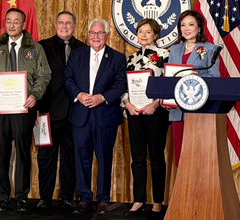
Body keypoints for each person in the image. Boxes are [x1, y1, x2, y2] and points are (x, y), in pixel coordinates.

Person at [0, 8, 51, 213]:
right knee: (2, 153)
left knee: (22, 153)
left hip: (24, 108)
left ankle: (21, 198)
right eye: (8, 21)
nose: (11, 25)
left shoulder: (35, 48)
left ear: (23, 24)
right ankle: (3, 197)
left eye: (16, 21)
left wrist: (35, 95)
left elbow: (44, 75)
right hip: (1, 108)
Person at [62, 19, 127, 215]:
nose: (95, 37)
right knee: (81, 159)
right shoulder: (77, 54)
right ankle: (84, 198)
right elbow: (67, 78)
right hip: (81, 116)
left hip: (105, 116)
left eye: (100, 33)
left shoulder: (117, 57)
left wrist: (102, 97)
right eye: (92, 33)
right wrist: (79, 95)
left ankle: (103, 200)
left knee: (104, 159)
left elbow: (121, 84)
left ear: (107, 35)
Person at [36, 11, 87, 210]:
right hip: (47, 112)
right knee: (45, 157)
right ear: (55, 25)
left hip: (75, 113)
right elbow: (35, 77)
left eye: (68, 23)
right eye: (61, 23)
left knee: (70, 157)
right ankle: (45, 198)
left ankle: (67, 197)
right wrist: (35, 108)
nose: (64, 26)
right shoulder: (42, 46)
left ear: (74, 26)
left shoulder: (83, 48)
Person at [122, 18, 170, 218]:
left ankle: (157, 201)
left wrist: (155, 104)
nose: (143, 35)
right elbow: (124, 86)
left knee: (157, 158)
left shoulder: (165, 55)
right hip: (135, 113)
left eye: (148, 32)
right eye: (140, 31)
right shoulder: (131, 59)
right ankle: (139, 200)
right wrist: (127, 103)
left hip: (156, 113)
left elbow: (169, 84)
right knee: (138, 158)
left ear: (156, 35)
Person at [169, 10, 220, 167]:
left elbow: (215, 78)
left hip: (199, 110)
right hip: (178, 111)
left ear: (199, 28)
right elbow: (170, 77)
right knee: (181, 157)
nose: (186, 29)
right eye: (183, 25)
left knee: (198, 157)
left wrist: (198, 79)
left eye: (191, 24)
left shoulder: (210, 48)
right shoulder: (175, 49)